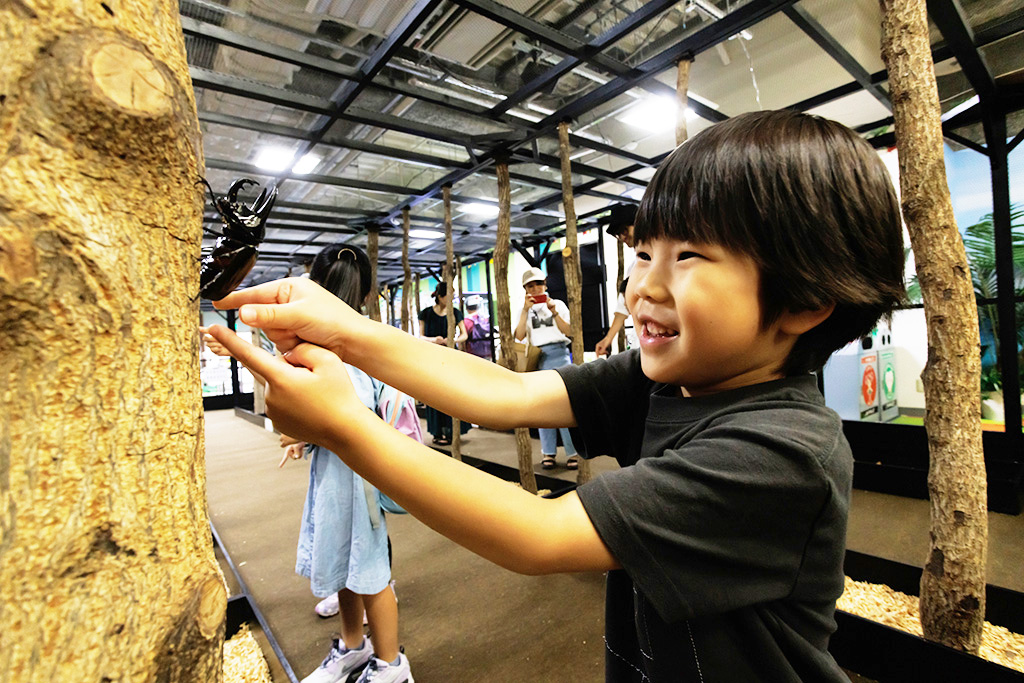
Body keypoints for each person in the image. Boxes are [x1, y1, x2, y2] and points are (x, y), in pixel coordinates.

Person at [207, 110, 905, 682]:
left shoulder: (781, 451)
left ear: (806, 300)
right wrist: (350, 330)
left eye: (688, 256)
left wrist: (345, 426)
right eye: (644, 254)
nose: (643, 289)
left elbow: (537, 534)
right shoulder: (666, 378)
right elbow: (505, 391)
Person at [266, 244, 415, 683]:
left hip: (358, 481)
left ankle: (390, 666)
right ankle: (354, 648)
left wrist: (300, 433)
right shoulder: (346, 341)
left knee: (369, 572)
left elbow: (343, 416)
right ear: (366, 292)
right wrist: (303, 437)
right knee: (347, 568)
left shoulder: (342, 348)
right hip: (338, 476)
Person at [514, 267, 579, 470]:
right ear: (525, 289)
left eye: (538, 284)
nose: (535, 289)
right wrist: (525, 310)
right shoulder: (523, 308)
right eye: (530, 286)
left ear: (545, 284)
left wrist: (554, 312)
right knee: (542, 409)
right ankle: (548, 452)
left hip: (560, 355)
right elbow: (519, 336)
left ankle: (573, 452)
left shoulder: (557, 304)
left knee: (565, 407)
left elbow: (570, 331)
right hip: (538, 358)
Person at [418, 282, 470, 446]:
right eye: (449, 295)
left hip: (450, 354)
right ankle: (437, 431)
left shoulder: (455, 312)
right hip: (432, 355)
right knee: (434, 393)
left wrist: (452, 340)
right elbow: (420, 335)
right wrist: (435, 340)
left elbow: (464, 335)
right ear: (440, 297)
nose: (452, 298)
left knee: (451, 392)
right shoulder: (426, 313)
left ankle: (452, 430)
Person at [595, 203, 637, 357]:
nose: (623, 237)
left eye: (625, 230)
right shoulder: (633, 267)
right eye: (619, 234)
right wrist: (607, 339)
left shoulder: (661, 257)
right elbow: (622, 309)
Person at [462, 295, 492, 360]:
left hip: (473, 356)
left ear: (466, 308)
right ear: (477, 306)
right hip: (488, 354)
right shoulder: (485, 319)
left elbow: (463, 340)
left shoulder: (466, 321)